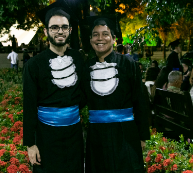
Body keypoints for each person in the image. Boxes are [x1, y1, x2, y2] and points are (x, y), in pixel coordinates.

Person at [83, 17, 150, 173]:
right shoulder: (85, 68)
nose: (100, 38)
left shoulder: (129, 65)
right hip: (97, 136)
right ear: (91, 40)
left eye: (105, 34)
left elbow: (140, 101)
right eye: (95, 34)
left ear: (113, 39)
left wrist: (142, 137)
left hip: (126, 134)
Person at [23, 2, 84, 173]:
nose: (60, 31)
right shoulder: (34, 65)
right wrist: (30, 144)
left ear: (70, 31)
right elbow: (29, 105)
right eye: (55, 27)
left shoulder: (78, 59)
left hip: (74, 134)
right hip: (45, 135)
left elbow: (84, 93)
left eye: (64, 27)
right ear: (46, 31)